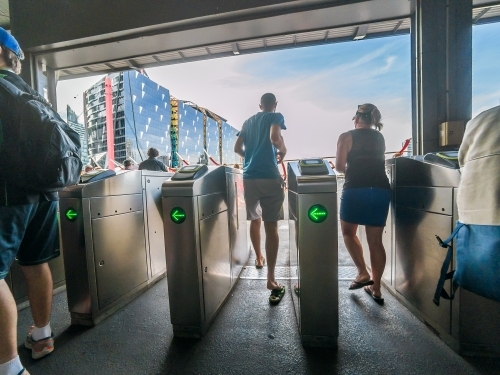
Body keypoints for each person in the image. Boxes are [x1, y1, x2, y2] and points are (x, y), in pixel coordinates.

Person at [0, 28, 57, 375]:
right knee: (35, 264)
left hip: (8, 195)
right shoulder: (30, 93)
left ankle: (9, 368)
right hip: (45, 194)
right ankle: (43, 334)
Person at [234, 93, 287, 304]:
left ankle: (258, 257)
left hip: (250, 178)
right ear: (274, 105)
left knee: (255, 219)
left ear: (259, 105)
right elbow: (275, 138)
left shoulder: (248, 121)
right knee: (271, 225)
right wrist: (283, 149)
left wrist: (250, 158)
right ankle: (271, 279)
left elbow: (237, 148)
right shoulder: (276, 116)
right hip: (269, 176)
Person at [335, 103, 390, 304]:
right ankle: (376, 288)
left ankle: (362, 273)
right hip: (381, 190)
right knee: (375, 241)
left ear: (356, 119)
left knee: (349, 233)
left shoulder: (346, 136)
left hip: (356, 189)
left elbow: (341, 166)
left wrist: (343, 166)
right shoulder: (380, 137)